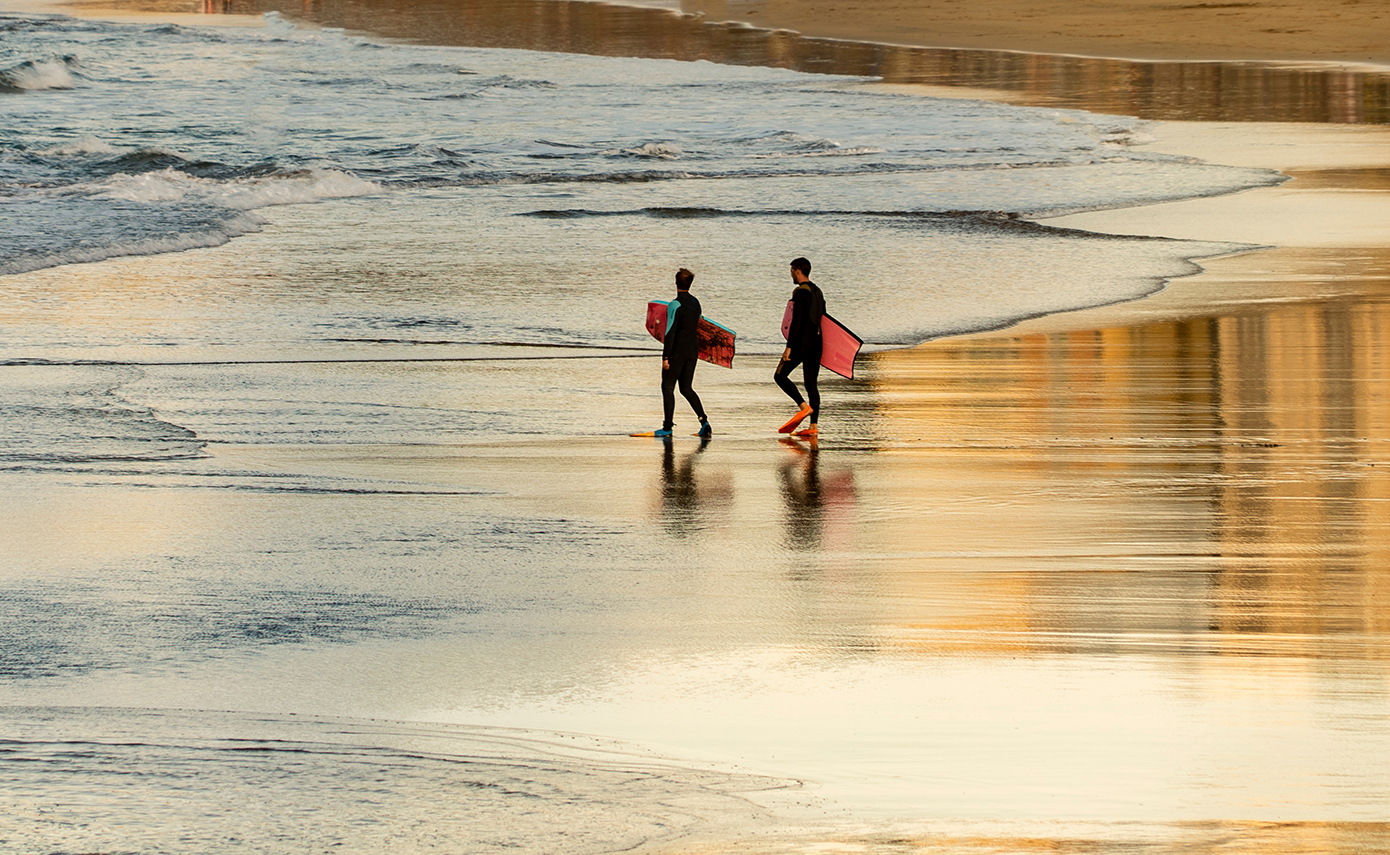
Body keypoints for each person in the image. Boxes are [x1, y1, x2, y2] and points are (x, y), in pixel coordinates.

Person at [651, 268, 711, 439]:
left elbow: (670, 332)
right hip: (693, 350)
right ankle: (704, 422)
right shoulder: (696, 303)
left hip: (678, 351)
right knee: (686, 388)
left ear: (676, 283)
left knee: (667, 387)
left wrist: (666, 357)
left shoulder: (674, 305)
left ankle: (667, 427)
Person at [775, 256, 824, 438]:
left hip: (801, 344)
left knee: (779, 375)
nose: (791, 275)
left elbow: (796, 321)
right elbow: (824, 319)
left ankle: (804, 407)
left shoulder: (800, 292)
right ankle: (813, 427)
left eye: (791, 271)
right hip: (817, 344)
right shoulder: (818, 292)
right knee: (811, 384)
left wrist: (789, 347)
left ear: (797, 270)